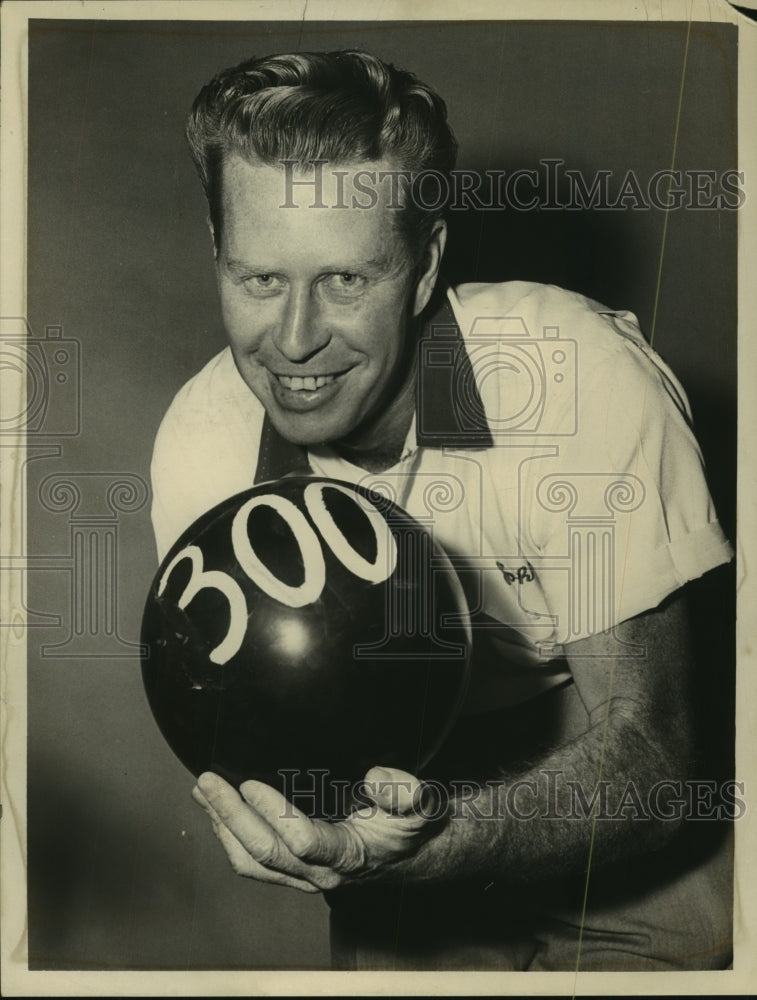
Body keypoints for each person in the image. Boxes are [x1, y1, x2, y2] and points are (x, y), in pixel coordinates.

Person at [150, 50, 735, 971]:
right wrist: (314, 832)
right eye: (260, 280)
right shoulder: (205, 442)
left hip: (627, 826)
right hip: (400, 816)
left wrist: (437, 843)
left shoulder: (571, 376)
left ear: (423, 269)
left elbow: (653, 758)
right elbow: (268, 740)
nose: (294, 341)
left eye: (345, 281)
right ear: (217, 252)